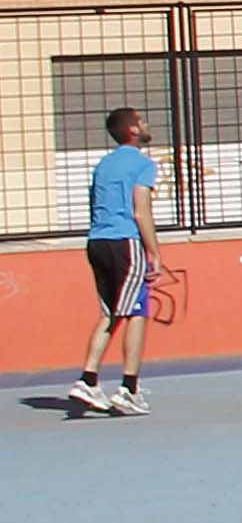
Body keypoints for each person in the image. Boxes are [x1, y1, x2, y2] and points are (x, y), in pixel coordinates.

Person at [70, 103, 159, 416]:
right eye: (142, 121)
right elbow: (141, 210)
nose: (147, 125)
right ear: (133, 130)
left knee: (110, 313)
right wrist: (155, 253)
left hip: (97, 241)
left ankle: (88, 379)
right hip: (125, 241)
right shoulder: (142, 164)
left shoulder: (103, 165)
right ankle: (129, 388)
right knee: (137, 311)